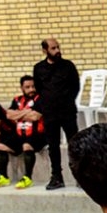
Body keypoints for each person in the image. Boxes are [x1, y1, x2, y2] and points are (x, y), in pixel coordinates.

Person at [32, 38, 80, 190]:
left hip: (67, 111)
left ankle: (80, 176)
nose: (57, 50)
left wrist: (65, 100)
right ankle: (57, 177)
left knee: (75, 143)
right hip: (50, 113)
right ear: (45, 50)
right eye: (53, 48)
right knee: (53, 146)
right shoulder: (39, 68)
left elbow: (75, 86)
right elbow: (39, 89)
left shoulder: (68, 66)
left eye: (58, 47)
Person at [4, 75, 45, 189]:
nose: (31, 89)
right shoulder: (17, 100)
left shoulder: (40, 99)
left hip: (38, 134)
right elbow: (8, 115)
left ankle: (27, 177)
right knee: (0, 146)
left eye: (33, 86)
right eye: (27, 87)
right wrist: (26, 111)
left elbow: (35, 117)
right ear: (22, 88)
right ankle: (3, 176)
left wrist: (18, 114)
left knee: (27, 146)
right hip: (20, 134)